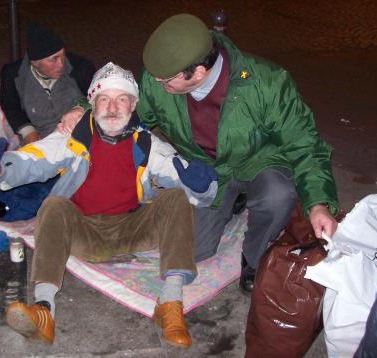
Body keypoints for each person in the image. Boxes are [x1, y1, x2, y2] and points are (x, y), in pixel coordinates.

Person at [0, 63, 218, 348]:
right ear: (92, 102)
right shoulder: (72, 138)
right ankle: (44, 311)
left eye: (122, 99)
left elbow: (197, 189)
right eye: (105, 98)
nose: (113, 107)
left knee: (175, 198)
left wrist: (203, 186)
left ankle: (170, 304)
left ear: (133, 105)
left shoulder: (148, 144)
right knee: (53, 206)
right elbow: (31, 162)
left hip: (133, 228)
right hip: (84, 232)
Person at [136, 13, 339, 292]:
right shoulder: (158, 79)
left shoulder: (266, 83)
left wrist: (318, 203)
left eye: (166, 81)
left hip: (258, 162)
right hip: (207, 170)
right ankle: (231, 201)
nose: (157, 85)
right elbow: (127, 109)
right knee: (194, 253)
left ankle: (254, 258)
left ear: (197, 72)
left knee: (277, 195)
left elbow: (305, 143)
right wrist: (84, 109)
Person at [0, 23, 95, 145]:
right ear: (34, 63)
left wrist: (80, 107)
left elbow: (99, 95)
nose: (61, 64)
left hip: (79, 134)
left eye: (62, 55)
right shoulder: (13, 75)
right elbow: (10, 107)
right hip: (42, 139)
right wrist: (27, 131)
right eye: (54, 59)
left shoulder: (81, 68)